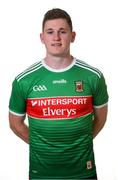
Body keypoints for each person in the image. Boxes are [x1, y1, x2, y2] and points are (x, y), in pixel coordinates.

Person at [9, 8, 108, 179]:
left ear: (73, 36)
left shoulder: (93, 76)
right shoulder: (23, 80)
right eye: (50, 32)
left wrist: (80, 144)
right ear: (42, 37)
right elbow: (15, 123)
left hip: (83, 172)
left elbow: (101, 118)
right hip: (42, 174)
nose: (56, 38)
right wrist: (42, 147)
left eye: (62, 32)